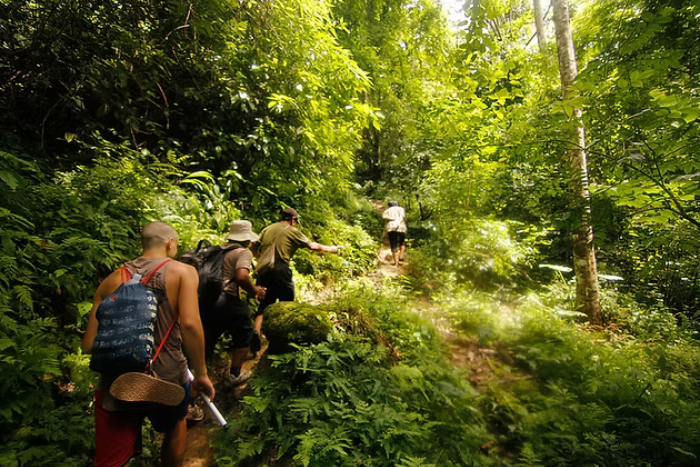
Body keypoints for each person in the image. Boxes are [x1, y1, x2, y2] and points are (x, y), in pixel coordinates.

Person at [83, 221, 215, 467]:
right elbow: (190, 325)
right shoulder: (183, 272)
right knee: (176, 424)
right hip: (165, 375)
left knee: (110, 459)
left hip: (117, 380)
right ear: (170, 244)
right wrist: (201, 374)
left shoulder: (110, 281)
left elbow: (89, 344)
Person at [251, 208, 340, 351]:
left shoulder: (267, 229)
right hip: (280, 269)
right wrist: (330, 249)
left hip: (263, 270)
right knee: (288, 304)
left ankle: (256, 331)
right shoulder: (291, 231)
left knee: (264, 304)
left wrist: (259, 258)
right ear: (293, 220)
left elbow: (252, 245)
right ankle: (282, 341)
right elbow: (311, 246)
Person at [199, 220, 266, 386]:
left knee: (208, 337)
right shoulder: (243, 252)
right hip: (227, 298)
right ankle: (235, 374)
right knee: (245, 331)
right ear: (246, 238)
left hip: (207, 299)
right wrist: (255, 290)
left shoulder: (217, 249)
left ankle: (197, 375)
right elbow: (242, 276)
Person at [382, 199, 407, 267]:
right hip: (401, 227)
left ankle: (396, 262)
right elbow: (403, 217)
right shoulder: (401, 209)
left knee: (393, 243)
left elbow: (383, 217)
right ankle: (401, 256)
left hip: (391, 227)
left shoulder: (387, 210)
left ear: (389, 205)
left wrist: (391, 219)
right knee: (402, 241)